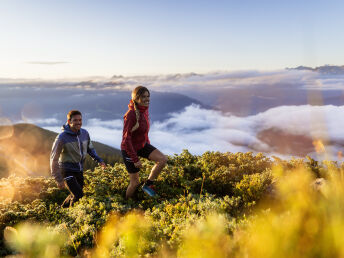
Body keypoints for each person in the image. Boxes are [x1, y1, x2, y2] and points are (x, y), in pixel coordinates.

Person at [50, 110, 106, 207]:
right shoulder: (61, 138)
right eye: (75, 120)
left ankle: (60, 210)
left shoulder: (85, 133)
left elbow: (90, 149)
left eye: (80, 120)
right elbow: (53, 159)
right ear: (69, 121)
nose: (78, 122)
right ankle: (72, 217)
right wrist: (58, 179)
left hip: (79, 170)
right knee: (79, 195)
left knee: (75, 194)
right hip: (66, 171)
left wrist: (99, 160)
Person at [121, 86, 167, 199]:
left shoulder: (144, 110)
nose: (147, 99)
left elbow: (143, 130)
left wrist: (148, 144)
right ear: (136, 98)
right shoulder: (131, 115)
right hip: (129, 149)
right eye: (143, 97)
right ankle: (126, 204)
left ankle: (148, 184)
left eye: (148, 96)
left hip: (142, 145)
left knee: (162, 159)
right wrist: (135, 159)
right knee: (135, 183)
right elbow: (126, 140)